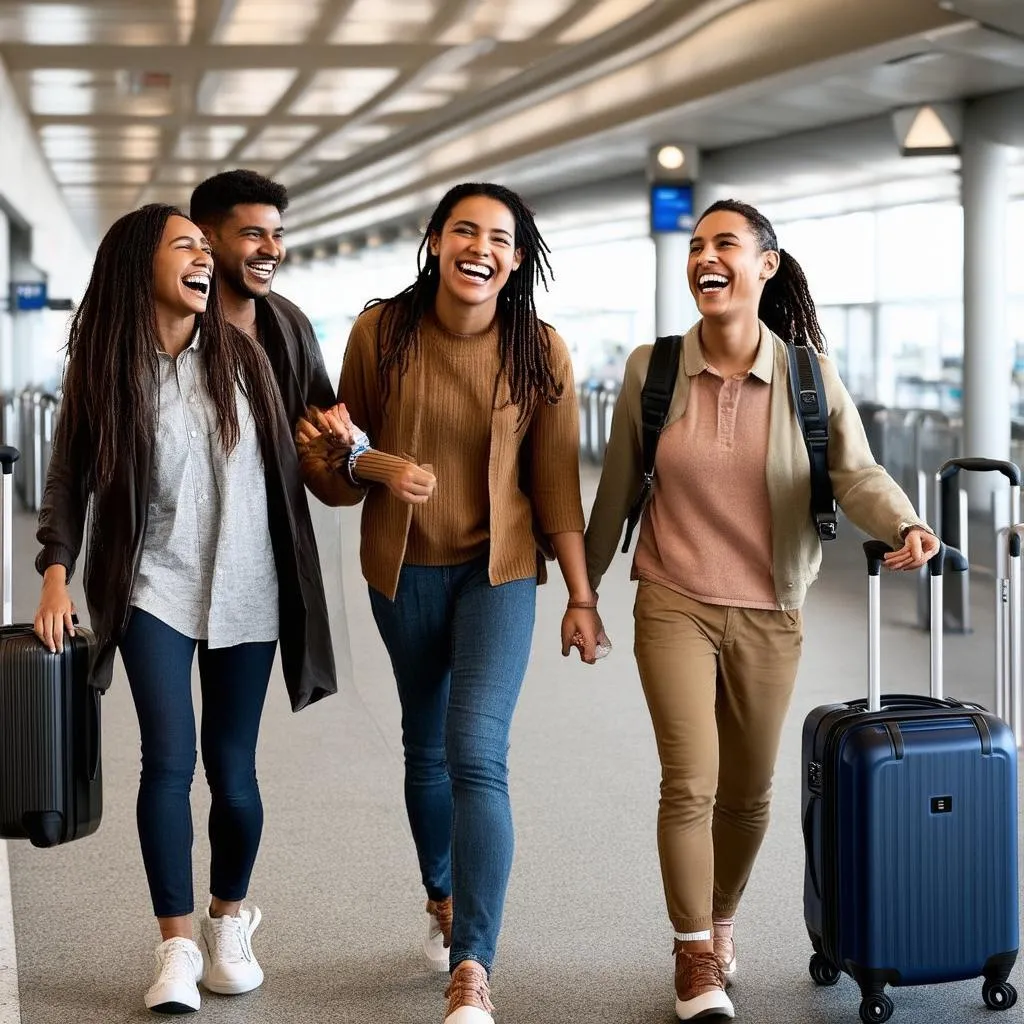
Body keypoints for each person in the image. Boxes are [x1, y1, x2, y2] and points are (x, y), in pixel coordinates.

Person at [583, 199, 938, 1021]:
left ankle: (721, 918)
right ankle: (693, 956)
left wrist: (908, 522)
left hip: (770, 607)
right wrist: (581, 591)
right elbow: (614, 495)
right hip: (672, 596)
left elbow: (856, 473)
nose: (707, 257)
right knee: (691, 781)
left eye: (726, 245)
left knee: (749, 793)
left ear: (764, 266)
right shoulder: (654, 367)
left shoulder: (806, 374)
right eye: (697, 245)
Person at [296, 182, 606, 1024]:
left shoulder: (540, 351)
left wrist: (581, 594)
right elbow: (336, 467)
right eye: (464, 229)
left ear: (517, 257)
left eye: (500, 237)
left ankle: (472, 963)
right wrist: (373, 464)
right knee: (424, 749)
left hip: (497, 575)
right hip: (402, 573)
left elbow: (553, 487)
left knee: (475, 753)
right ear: (434, 241)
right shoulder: (382, 333)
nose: (481, 246)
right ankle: (440, 893)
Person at [33, 204, 339, 1015]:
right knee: (167, 762)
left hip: (251, 588)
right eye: (188, 247)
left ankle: (229, 921)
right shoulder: (104, 366)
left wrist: (357, 456)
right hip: (152, 588)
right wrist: (56, 574)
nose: (205, 259)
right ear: (144, 266)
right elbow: (68, 478)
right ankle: (174, 947)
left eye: (209, 248)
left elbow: (304, 456)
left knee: (232, 773)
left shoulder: (244, 357)